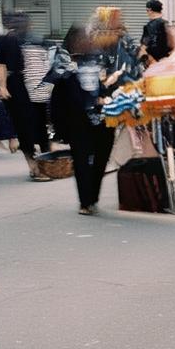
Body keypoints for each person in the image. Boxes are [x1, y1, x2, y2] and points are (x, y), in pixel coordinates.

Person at [52, 25, 122, 215]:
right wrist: (59, 130)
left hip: (101, 120)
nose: (87, 41)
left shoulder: (96, 58)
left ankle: (92, 197)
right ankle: (85, 202)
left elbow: (101, 86)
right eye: (82, 38)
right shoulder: (62, 62)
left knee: (101, 159)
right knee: (82, 162)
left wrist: (105, 95)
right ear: (74, 41)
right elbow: (57, 97)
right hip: (77, 121)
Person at [0, 11, 52, 180]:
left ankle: (46, 163)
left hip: (33, 86)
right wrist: (2, 87)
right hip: (15, 86)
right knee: (24, 126)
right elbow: (0, 64)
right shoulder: (2, 40)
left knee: (40, 124)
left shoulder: (30, 40)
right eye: (16, 20)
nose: (21, 23)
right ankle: (34, 166)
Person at [139, 0, 175, 66]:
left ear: (150, 10)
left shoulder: (149, 26)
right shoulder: (167, 24)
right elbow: (173, 44)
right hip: (167, 62)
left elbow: (144, 47)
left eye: (147, 10)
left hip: (154, 64)